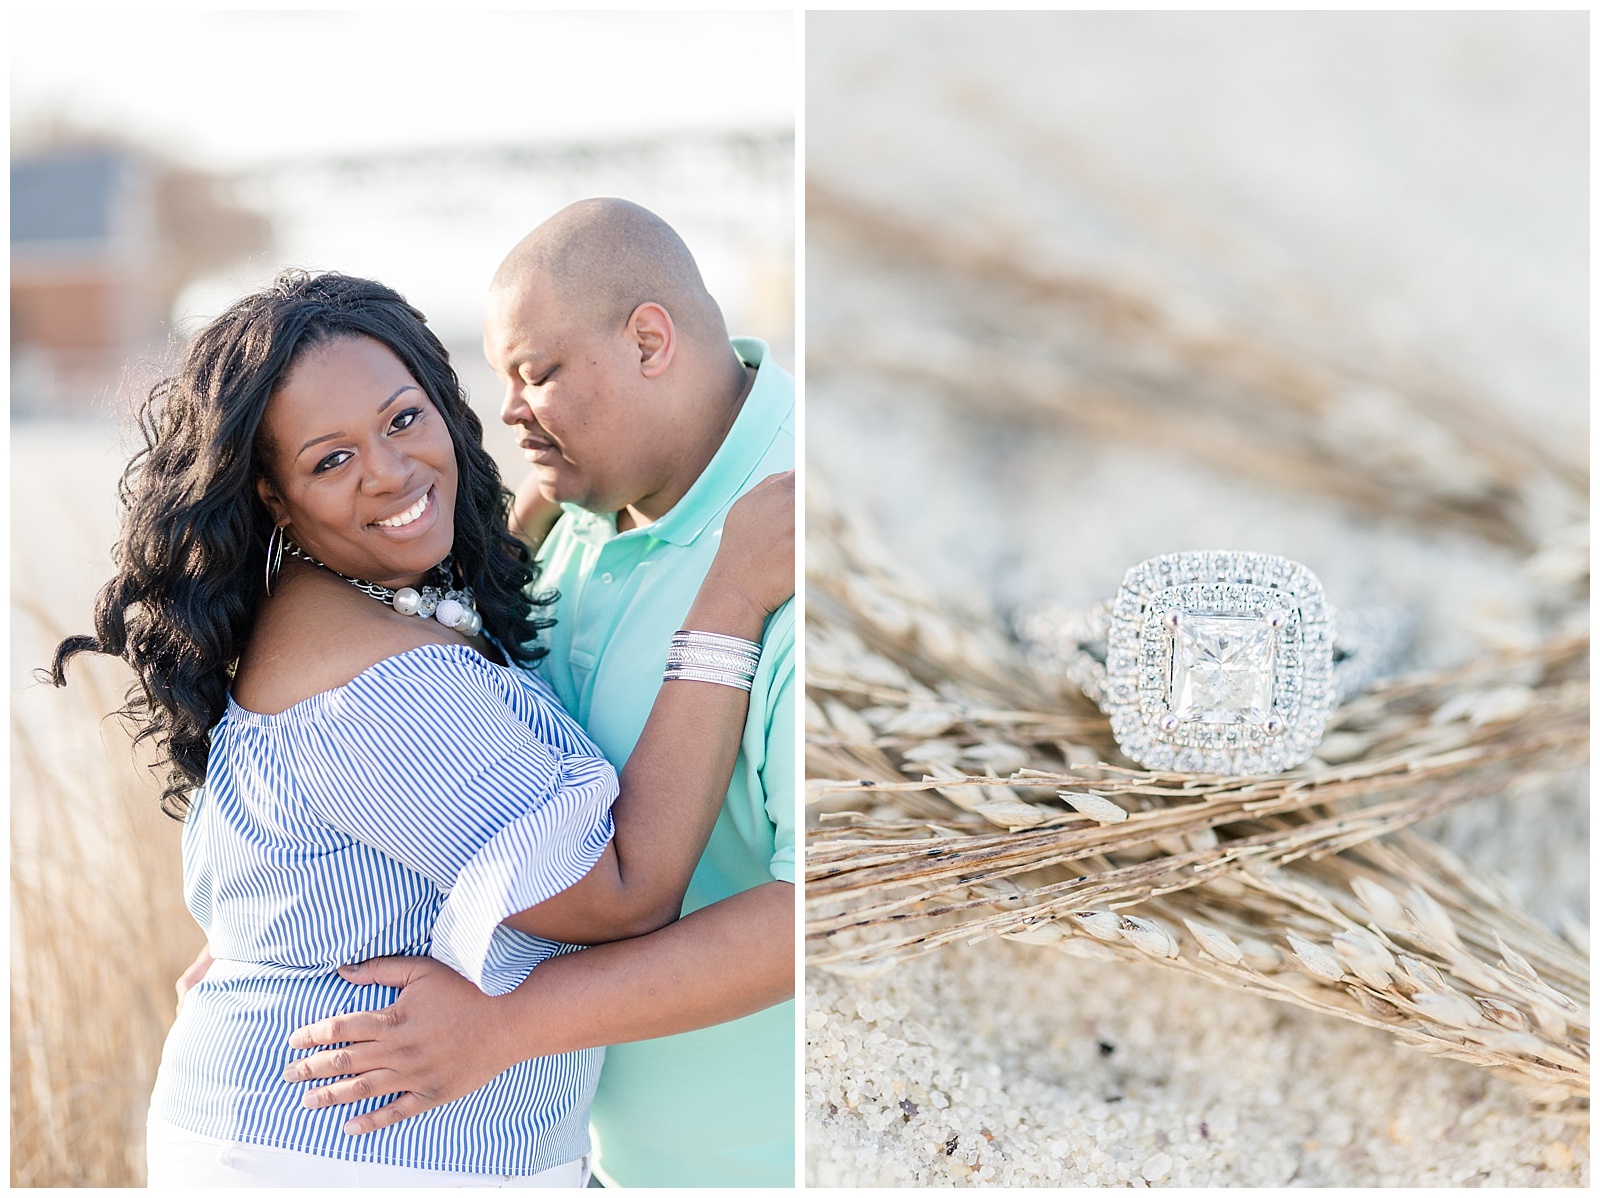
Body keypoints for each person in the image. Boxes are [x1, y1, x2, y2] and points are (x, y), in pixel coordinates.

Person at [51, 269, 793, 1186]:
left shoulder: (346, 602)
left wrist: (545, 492)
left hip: (359, 1142)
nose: (391, 471)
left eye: (404, 419)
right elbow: (627, 890)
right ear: (274, 499)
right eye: (331, 460)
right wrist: (732, 598)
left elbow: (460, 598)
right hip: (346, 1151)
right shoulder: (379, 688)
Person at [279, 200, 797, 1186]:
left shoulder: (785, 541)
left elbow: (810, 908)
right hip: (582, 1160)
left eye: (538, 373)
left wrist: (505, 1029)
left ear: (650, 340)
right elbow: (467, 773)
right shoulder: (578, 511)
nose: (509, 410)